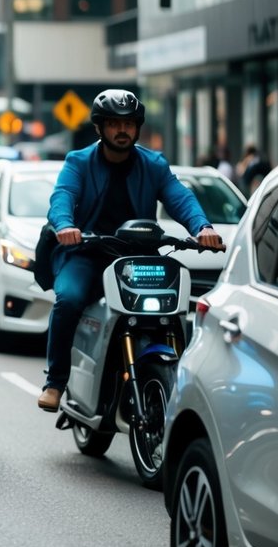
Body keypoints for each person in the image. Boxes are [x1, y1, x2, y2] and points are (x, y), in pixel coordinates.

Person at [37, 89, 223, 412]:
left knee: (173, 310)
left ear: (137, 127)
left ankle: (178, 381)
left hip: (137, 259)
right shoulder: (78, 162)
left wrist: (202, 227)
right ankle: (55, 381)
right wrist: (66, 226)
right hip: (88, 254)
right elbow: (62, 196)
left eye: (129, 124)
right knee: (68, 298)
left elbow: (179, 197)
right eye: (113, 123)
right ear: (99, 127)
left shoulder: (154, 164)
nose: (122, 130)